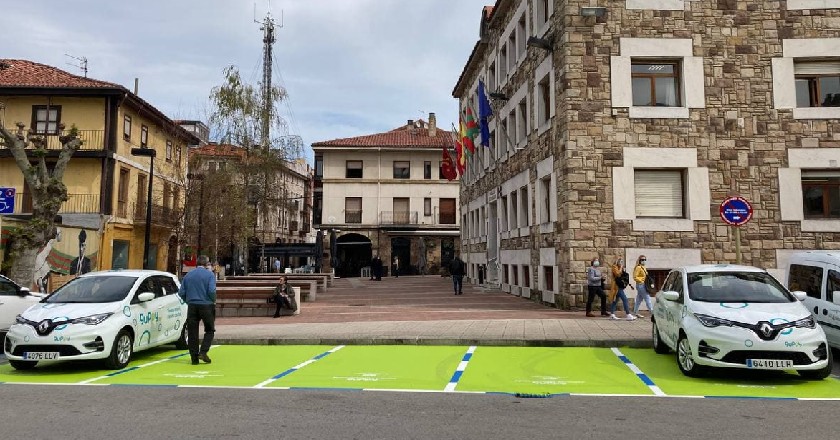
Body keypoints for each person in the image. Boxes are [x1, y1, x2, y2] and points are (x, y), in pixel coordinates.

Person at [178, 255, 216, 365]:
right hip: (206, 305)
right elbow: (211, 291)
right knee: (209, 329)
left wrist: (188, 300)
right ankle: (203, 352)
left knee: (192, 331)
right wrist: (213, 300)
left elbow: (181, 292)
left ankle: (194, 358)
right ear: (206, 264)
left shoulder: (188, 275)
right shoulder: (209, 275)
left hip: (192, 306)